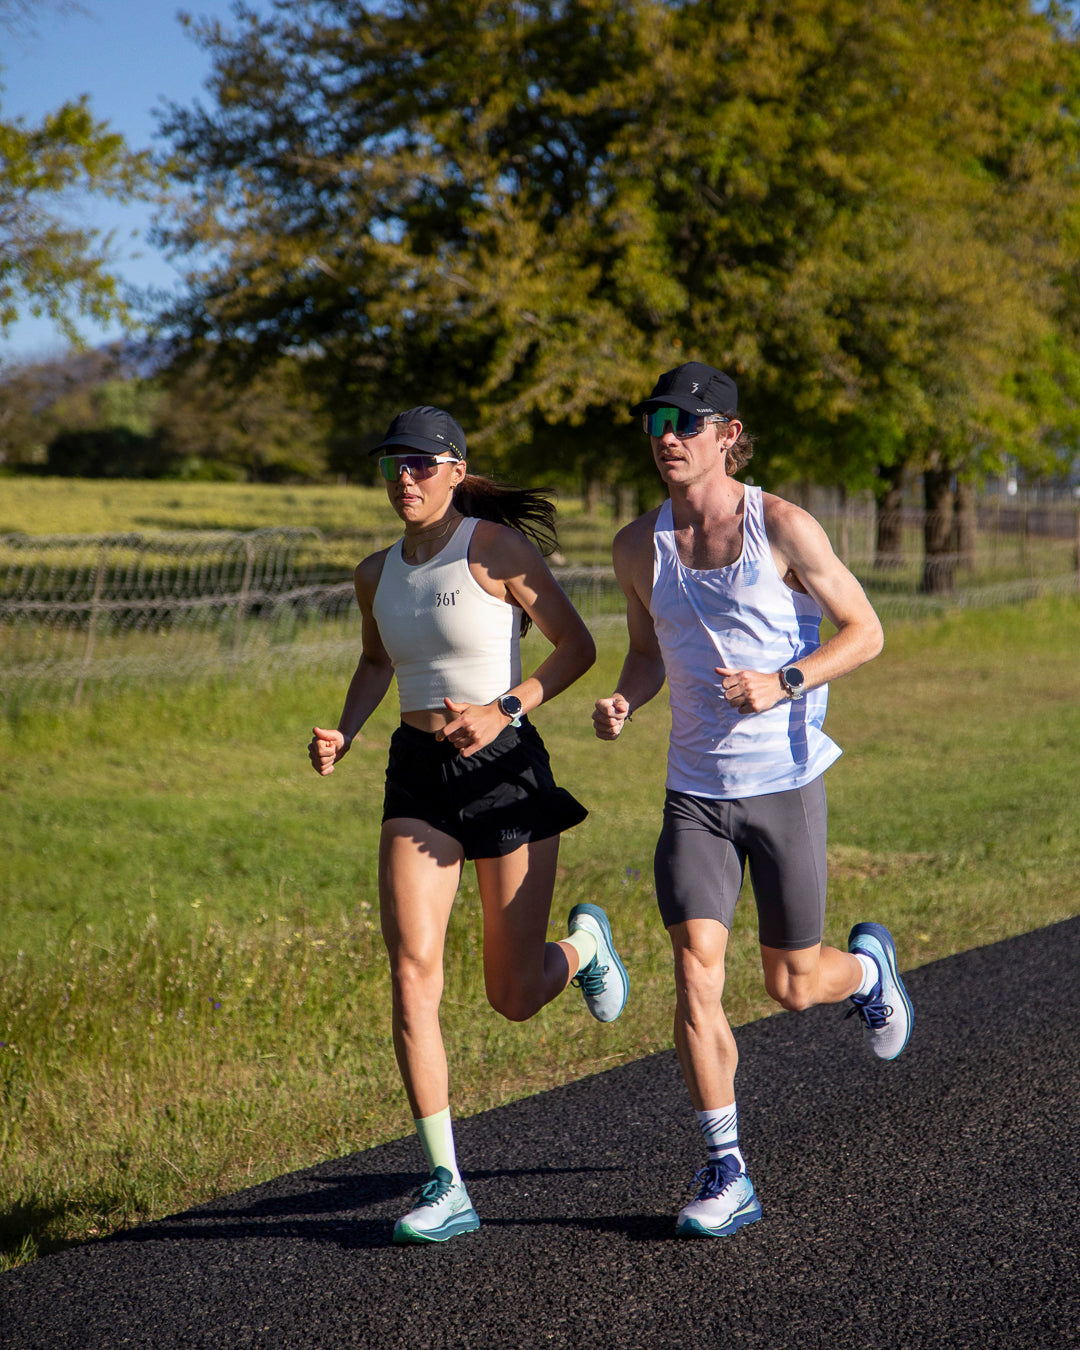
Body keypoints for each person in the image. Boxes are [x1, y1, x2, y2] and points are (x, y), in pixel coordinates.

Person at [593, 362, 912, 1240]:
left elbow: (868, 631)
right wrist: (628, 697)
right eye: (657, 417)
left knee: (793, 986)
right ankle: (726, 1166)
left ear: (728, 434)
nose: (667, 434)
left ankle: (871, 973)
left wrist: (785, 681)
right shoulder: (636, 545)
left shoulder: (782, 526)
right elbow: (648, 653)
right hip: (693, 793)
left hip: (783, 785)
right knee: (695, 974)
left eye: (686, 421)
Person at [309, 405, 628, 1245]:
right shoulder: (374, 573)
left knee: (513, 995)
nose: (403, 478)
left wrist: (504, 710)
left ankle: (585, 949)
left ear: (455, 469)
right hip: (416, 778)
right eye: (392, 465)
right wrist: (346, 727)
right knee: (413, 974)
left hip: (505, 768)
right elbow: (378, 660)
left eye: (419, 464)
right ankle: (446, 1181)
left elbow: (576, 645)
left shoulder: (493, 548)